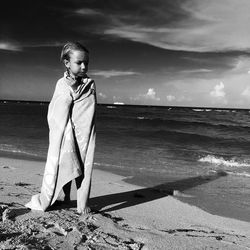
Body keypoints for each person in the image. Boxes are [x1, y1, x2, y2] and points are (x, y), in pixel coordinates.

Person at [25, 42, 96, 215]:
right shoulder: (61, 84)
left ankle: (82, 202)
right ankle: (65, 197)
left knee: (84, 164)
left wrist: (76, 90)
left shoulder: (90, 83)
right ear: (67, 63)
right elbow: (56, 111)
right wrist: (71, 89)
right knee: (66, 163)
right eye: (79, 62)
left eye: (86, 62)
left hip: (86, 133)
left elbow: (88, 110)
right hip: (66, 132)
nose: (84, 66)